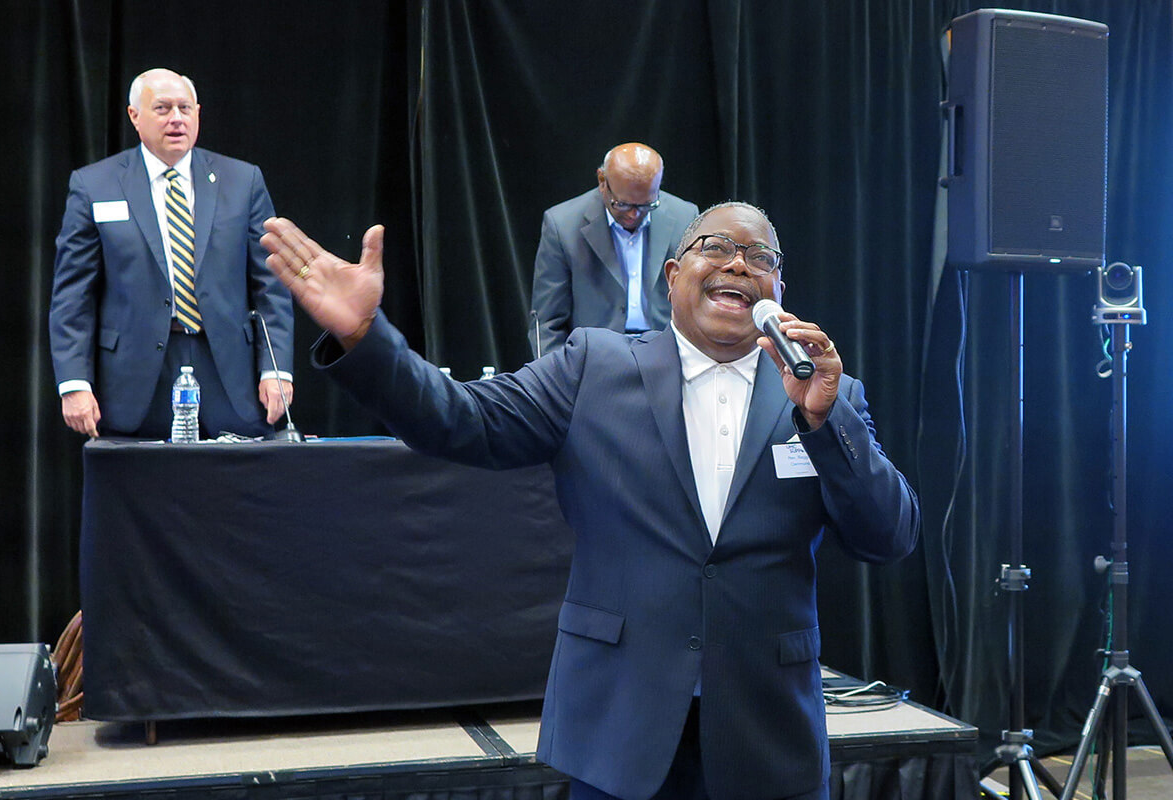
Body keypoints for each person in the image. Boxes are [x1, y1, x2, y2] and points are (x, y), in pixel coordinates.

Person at [261, 202, 919, 800]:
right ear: (671, 274)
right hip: (621, 731)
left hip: (767, 737)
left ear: (780, 291)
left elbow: (888, 536)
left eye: (761, 257)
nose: (738, 264)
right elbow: (456, 419)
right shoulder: (593, 367)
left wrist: (829, 424)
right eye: (716, 246)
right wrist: (366, 339)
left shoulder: (829, 396)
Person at [49, 68, 294, 439]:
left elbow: (271, 283)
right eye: (162, 108)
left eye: (185, 108)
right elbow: (72, 295)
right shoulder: (94, 185)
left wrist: (276, 370)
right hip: (133, 380)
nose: (176, 119)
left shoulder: (243, 181)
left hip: (229, 374)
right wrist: (73, 383)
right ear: (134, 116)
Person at [530, 142, 698, 355]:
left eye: (647, 205)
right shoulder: (562, 225)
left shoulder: (685, 217)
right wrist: (557, 378)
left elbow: (696, 303)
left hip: (667, 353)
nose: (633, 215)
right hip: (593, 356)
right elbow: (547, 322)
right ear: (602, 181)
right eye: (623, 204)